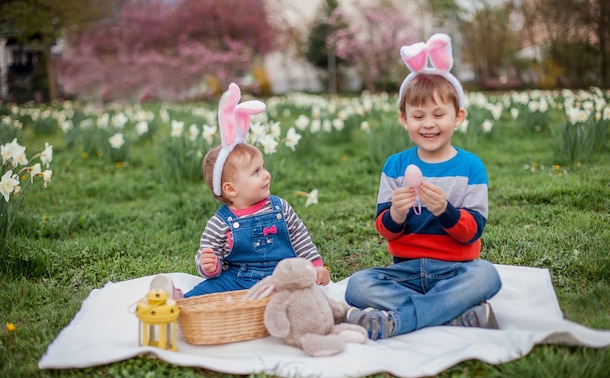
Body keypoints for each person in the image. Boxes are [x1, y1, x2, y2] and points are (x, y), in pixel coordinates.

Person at [344, 33, 502, 340]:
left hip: (456, 270)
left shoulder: (471, 168)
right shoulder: (395, 166)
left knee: (487, 276)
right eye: (418, 116)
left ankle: (400, 320)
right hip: (404, 272)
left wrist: (445, 210)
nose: (428, 124)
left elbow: (473, 231)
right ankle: (453, 314)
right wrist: (398, 214)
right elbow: (385, 229)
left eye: (439, 115)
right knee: (357, 285)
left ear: (458, 117)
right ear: (404, 119)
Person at [151, 83, 330, 299]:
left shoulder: (280, 207)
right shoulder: (220, 222)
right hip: (238, 278)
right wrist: (209, 265)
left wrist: (316, 265)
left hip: (281, 275)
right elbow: (207, 253)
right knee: (209, 291)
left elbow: (301, 239)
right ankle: (182, 300)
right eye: (256, 172)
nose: (266, 175)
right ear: (231, 189)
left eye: (263, 167)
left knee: (302, 292)